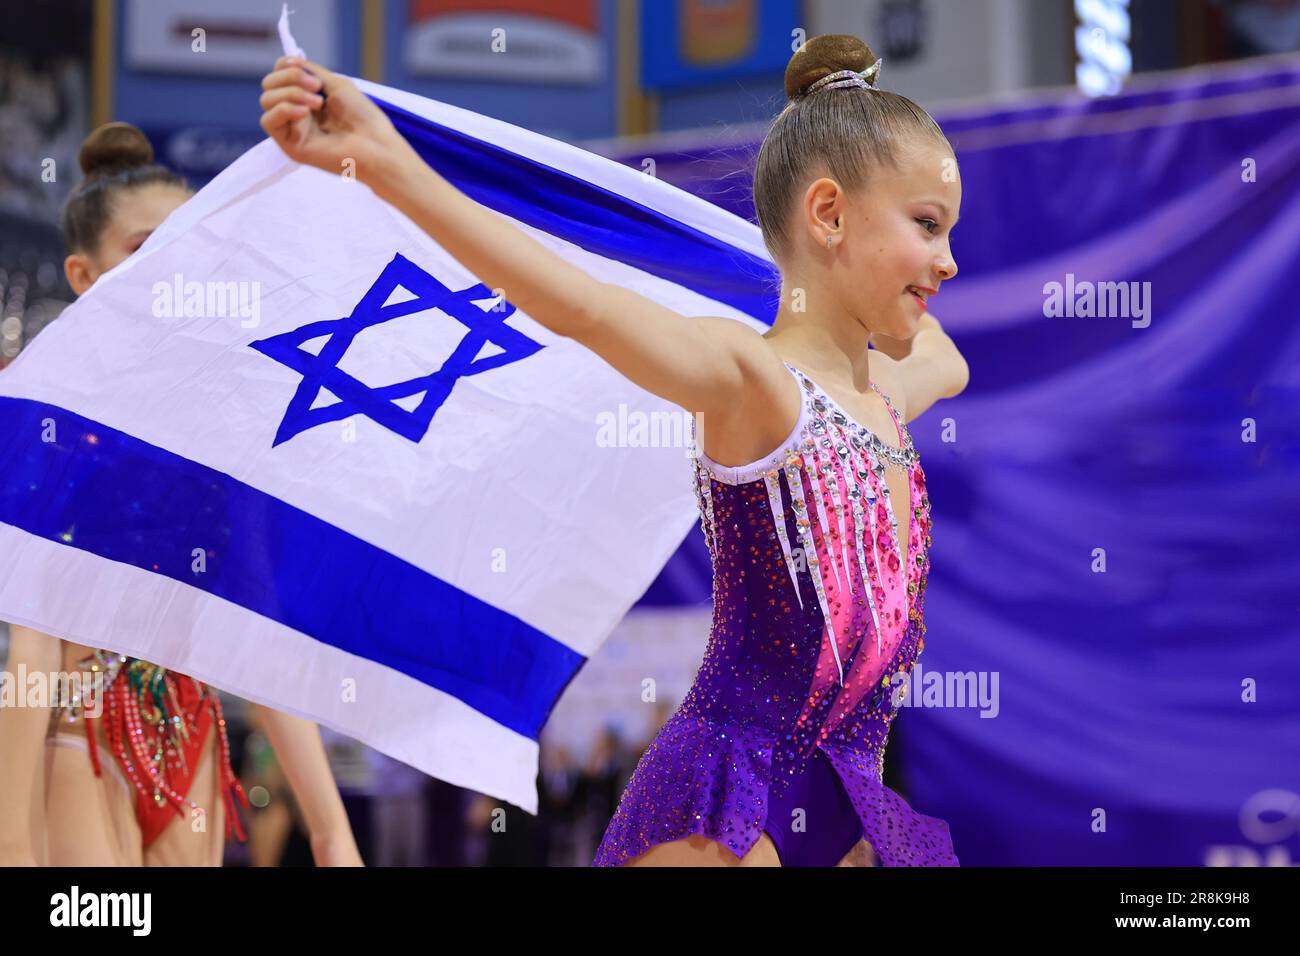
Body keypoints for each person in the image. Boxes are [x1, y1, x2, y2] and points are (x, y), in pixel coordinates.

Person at [255, 32, 967, 867]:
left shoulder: (885, 399)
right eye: (927, 225)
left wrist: (836, 218)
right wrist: (384, 159)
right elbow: (584, 308)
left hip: (848, 802)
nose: (948, 261)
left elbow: (944, 357)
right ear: (828, 212)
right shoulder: (754, 382)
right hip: (728, 808)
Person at [0, 123, 363, 868]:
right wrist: (10, 837)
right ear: (83, 275)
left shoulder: (226, 431)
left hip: (193, 741)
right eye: (142, 247)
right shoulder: (46, 420)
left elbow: (256, 630)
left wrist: (332, 834)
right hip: (81, 734)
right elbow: (32, 642)